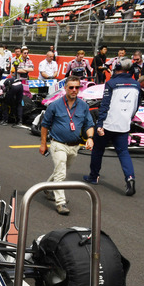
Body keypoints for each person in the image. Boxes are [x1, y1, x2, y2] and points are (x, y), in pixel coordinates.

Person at [39, 77, 96, 215]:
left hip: (74, 146)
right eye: (71, 87)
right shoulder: (55, 105)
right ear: (65, 88)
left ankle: (47, 188)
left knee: (61, 171)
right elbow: (45, 125)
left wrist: (90, 138)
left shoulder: (83, 106)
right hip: (58, 144)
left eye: (77, 87)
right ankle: (60, 203)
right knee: (61, 173)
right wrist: (43, 144)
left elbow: (89, 124)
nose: (74, 90)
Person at [84, 59, 140, 196]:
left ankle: (94, 176)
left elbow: (105, 105)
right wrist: (128, 118)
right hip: (124, 124)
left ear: (117, 69)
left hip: (108, 124)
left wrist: (100, 123)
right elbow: (136, 106)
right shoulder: (136, 84)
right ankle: (130, 178)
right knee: (123, 153)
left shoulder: (111, 83)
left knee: (98, 149)